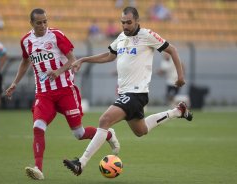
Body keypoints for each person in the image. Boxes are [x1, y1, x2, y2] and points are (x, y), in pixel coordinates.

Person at [63, 6, 193, 176]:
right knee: (141, 130)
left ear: (137, 21)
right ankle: (178, 111)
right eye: (123, 22)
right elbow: (109, 55)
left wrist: (180, 76)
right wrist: (84, 59)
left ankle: (81, 163)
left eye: (129, 22)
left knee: (104, 120)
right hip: (126, 93)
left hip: (137, 93)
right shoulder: (121, 37)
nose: (125, 25)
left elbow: (172, 50)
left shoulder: (147, 35)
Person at [4, 8, 119, 180]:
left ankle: (108, 134)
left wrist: (59, 71)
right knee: (38, 127)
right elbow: (25, 62)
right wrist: (14, 83)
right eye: (39, 23)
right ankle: (38, 168)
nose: (43, 25)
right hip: (43, 94)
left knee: (78, 134)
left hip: (65, 91)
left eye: (45, 21)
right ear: (31, 24)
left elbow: (73, 60)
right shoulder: (26, 41)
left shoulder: (56, 36)